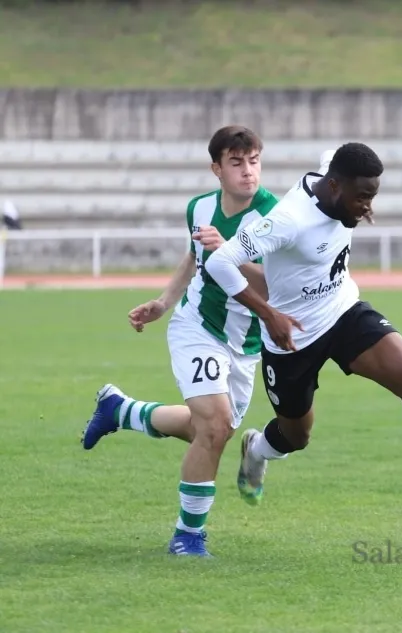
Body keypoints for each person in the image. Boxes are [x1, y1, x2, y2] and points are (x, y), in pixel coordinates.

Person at [203, 142, 402, 527]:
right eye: (361, 197)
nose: (367, 205)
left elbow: (336, 151)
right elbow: (220, 262)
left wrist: (360, 198)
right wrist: (268, 315)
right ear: (335, 186)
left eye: (373, 195)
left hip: (343, 311)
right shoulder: (288, 220)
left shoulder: (336, 173)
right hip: (293, 337)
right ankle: (256, 449)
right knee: (295, 436)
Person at [81, 125, 279, 557]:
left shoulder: (272, 218)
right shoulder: (199, 208)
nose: (248, 171)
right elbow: (194, 256)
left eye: (254, 161)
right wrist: (164, 301)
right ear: (217, 169)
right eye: (236, 162)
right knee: (213, 426)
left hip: (245, 344)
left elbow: (273, 290)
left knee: (210, 430)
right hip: (198, 327)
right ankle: (188, 536)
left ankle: (122, 410)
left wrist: (230, 250)